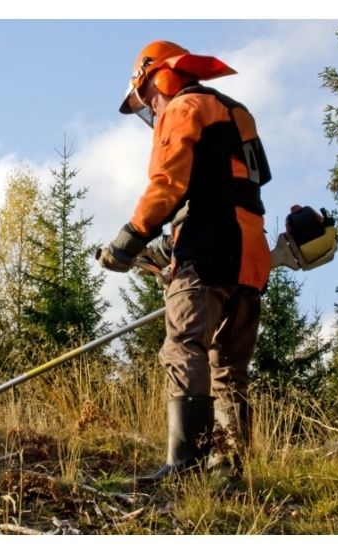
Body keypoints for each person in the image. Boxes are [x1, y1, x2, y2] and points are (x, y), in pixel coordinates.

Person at [98, 40, 272, 483]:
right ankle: (230, 470)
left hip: (209, 247)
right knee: (228, 366)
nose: (151, 110)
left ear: (161, 77)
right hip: (251, 254)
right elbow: (234, 184)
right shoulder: (236, 111)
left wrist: (130, 238)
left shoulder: (182, 107)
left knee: (183, 347)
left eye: (147, 98)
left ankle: (186, 466)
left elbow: (168, 183)